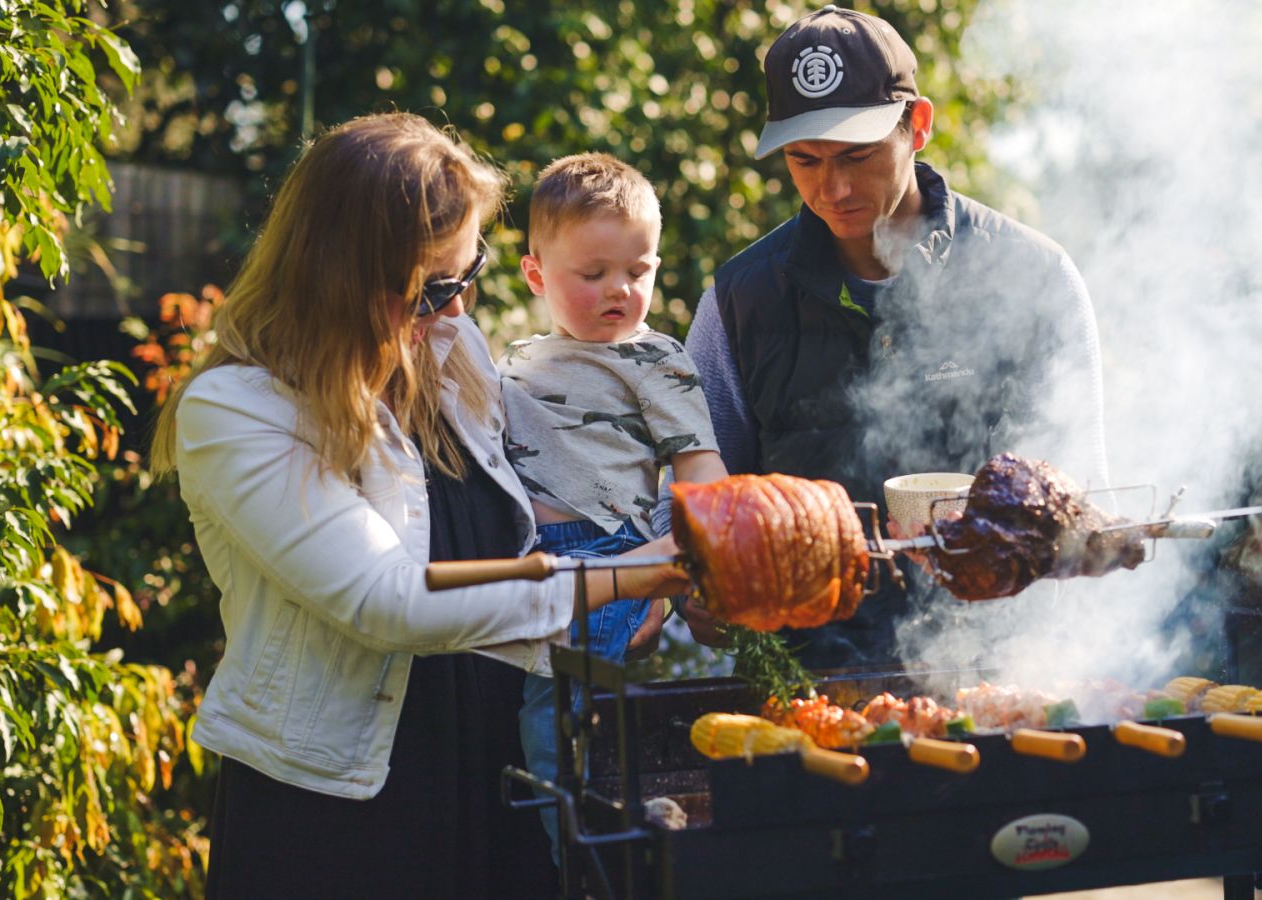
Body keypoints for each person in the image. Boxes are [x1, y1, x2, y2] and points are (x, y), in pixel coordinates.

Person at [147, 113, 686, 899]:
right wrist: (620, 580)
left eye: (471, 274)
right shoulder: (238, 411)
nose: (462, 310)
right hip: (343, 810)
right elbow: (386, 600)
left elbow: (550, 489)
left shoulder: (444, 348)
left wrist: (654, 536)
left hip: (495, 766)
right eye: (435, 287)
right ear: (339, 276)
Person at [685, 6, 1109, 668]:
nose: (834, 188)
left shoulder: (1033, 276)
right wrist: (703, 583)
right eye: (805, 160)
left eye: (858, 154)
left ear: (918, 126)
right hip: (804, 691)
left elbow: (1081, 488)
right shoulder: (739, 300)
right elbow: (700, 493)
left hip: (1004, 675)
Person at [499, 152, 728, 859]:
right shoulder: (515, 361)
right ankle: (593, 833)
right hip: (526, 561)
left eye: (639, 270)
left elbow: (699, 468)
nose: (619, 290)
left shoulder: (654, 359)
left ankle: (588, 855)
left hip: (612, 556)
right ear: (536, 274)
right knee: (548, 710)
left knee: (559, 713)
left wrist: (702, 555)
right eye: (592, 274)